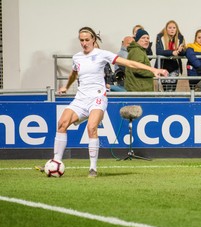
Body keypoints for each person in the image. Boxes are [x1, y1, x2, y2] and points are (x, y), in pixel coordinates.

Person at [36, 27, 167, 178]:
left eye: (87, 40)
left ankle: (93, 168)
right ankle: (56, 162)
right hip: (80, 99)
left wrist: (153, 70)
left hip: (97, 98)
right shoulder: (77, 57)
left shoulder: (102, 54)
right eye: (81, 40)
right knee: (62, 123)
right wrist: (66, 86)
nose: (84, 43)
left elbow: (129, 63)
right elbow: (74, 73)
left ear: (93, 40)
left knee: (91, 128)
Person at [155, 20, 186, 92]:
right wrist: (172, 52)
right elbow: (158, 51)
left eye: (174, 28)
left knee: (172, 90)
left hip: (174, 66)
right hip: (163, 66)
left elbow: (183, 53)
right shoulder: (160, 37)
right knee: (166, 90)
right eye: (170, 28)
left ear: (176, 29)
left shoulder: (180, 37)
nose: (172, 29)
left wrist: (181, 51)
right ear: (166, 29)